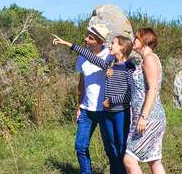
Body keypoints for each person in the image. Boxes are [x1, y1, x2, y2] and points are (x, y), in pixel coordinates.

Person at [52, 32, 135, 174]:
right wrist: (68, 44)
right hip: (108, 112)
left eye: (114, 43)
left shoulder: (129, 68)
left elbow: (130, 94)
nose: (110, 45)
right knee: (111, 149)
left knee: (120, 148)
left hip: (120, 113)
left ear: (122, 48)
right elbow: (90, 56)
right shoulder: (109, 65)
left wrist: (111, 100)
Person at [55, 24, 111, 174]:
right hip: (86, 109)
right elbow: (81, 83)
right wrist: (79, 105)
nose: (86, 39)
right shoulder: (82, 57)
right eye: (86, 35)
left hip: (105, 110)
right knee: (80, 146)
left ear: (100, 42)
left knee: (110, 148)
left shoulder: (109, 57)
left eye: (90, 38)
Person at [123, 27, 166, 174]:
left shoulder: (149, 59)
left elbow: (153, 89)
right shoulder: (146, 59)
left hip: (149, 117)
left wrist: (143, 116)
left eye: (137, 38)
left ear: (144, 41)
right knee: (154, 159)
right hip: (147, 116)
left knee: (129, 159)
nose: (134, 40)